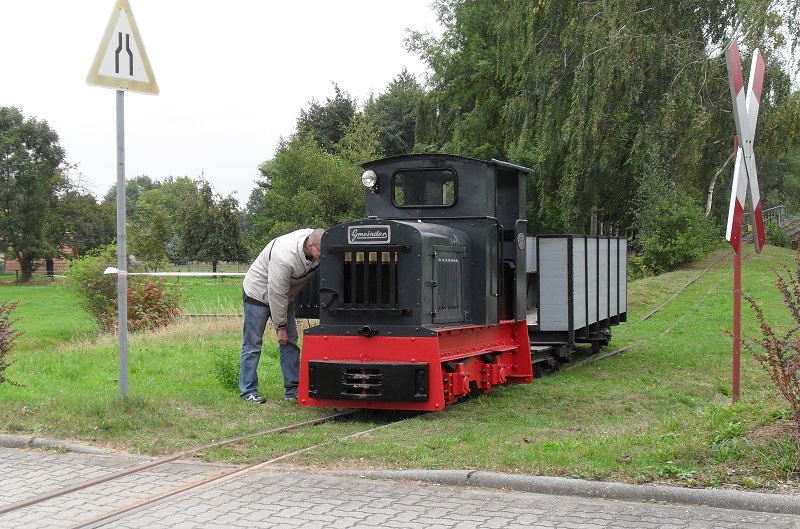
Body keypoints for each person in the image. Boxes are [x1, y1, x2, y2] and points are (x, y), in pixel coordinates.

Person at [239, 228, 324, 403]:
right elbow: (276, 293)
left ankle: (292, 391)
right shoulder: (285, 257)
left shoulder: (315, 241)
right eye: (321, 252)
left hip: (284, 295)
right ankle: (248, 391)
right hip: (258, 294)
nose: (324, 256)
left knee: (291, 343)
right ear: (310, 245)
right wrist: (281, 327)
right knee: (253, 344)